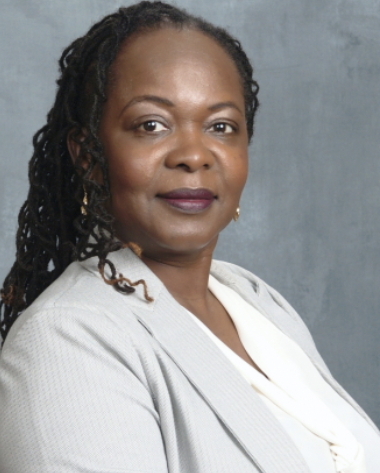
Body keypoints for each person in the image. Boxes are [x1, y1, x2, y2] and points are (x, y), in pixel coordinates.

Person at [0, 2, 379, 472]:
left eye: (221, 126)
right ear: (88, 155)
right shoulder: (66, 340)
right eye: (151, 125)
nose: (194, 156)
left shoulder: (257, 303)